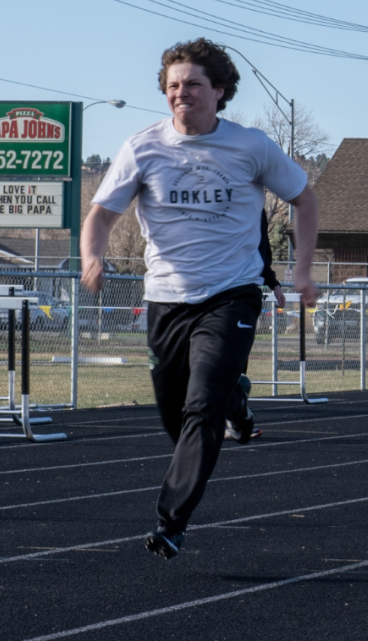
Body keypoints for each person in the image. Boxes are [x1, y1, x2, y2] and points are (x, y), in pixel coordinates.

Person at [81, 38, 319, 560]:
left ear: (220, 91)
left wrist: (300, 269)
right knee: (175, 416)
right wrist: (91, 257)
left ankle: (171, 522)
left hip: (230, 294)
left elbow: (303, 198)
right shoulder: (142, 147)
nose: (180, 94)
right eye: (172, 86)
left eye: (192, 84)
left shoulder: (251, 147)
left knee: (199, 406)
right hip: (166, 298)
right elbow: (100, 215)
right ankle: (236, 397)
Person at [224, 209, 287, 443]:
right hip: (205, 290)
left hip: (243, 293)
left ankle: (236, 415)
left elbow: (262, 251)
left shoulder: (254, 207)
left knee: (234, 364)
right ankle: (224, 413)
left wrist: (274, 283)